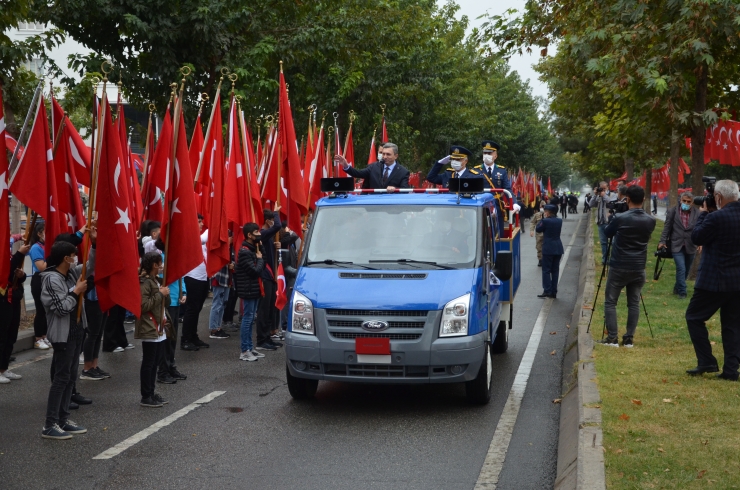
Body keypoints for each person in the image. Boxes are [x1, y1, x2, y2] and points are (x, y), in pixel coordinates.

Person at [684, 180, 740, 380]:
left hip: (714, 280)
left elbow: (697, 237)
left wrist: (703, 213)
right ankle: (731, 371)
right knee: (732, 325)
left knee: (694, 317)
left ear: (718, 197)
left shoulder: (715, 217)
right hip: (737, 281)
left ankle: (707, 360)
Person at [40, 239, 93, 439]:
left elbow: (91, 265)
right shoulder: (51, 279)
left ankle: (62, 419)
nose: (76, 258)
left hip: (77, 332)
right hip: (63, 336)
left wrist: (94, 244)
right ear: (66, 258)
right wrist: (75, 291)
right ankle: (49, 424)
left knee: (71, 377)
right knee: (61, 379)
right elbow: (61, 307)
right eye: (73, 255)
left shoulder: (71, 273)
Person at [598, 185, 656, 348]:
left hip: (619, 265)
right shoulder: (650, 220)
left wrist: (613, 216)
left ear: (627, 199)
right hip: (639, 266)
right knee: (634, 302)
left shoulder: (620, 218)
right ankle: (629, 338)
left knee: (610, 302)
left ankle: (612, 338)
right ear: (643, 199)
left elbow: (608, 233)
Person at [136, 252, 170, 408]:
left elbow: (165, 303)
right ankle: (146, 395)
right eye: (160, 263)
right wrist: (159, 294)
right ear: (154, 265)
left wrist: (165, 293)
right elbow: (143, 306)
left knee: (155, 362)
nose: (162, 266)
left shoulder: (156, 281)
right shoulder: (145, 282)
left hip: (159, 327)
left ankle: (151, 392)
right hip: (150, 326)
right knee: (149, 363)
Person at [153, 237, 187, 384]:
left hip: (176, 300)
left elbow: (181, 278)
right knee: (165, 339)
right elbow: (158, 279)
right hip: (166, 302)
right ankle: (162, 371)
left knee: (172, 338)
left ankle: (171, 366)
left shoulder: (175, 258)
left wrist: (184, 293)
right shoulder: (160, 259)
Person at [235, 222, 267, 362]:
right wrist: (259, 260)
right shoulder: (244, 252)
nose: (259, 234)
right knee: (247, 320)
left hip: (254, 289)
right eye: (256, 232)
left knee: (251, 318)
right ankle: (245, 350)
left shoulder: (254, 248)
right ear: (249, 235)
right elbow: (255, 271)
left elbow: (263, 262)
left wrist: (261, 248)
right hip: (248, 290)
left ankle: (250, 347)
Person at [658, 192, 700, 299]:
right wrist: (662, 241)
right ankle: (682, 292)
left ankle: (677, 288)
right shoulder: (673, 211)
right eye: (684, 201)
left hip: (691, 245)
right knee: (681, 268)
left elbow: (700, 229)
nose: (686, 203)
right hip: (676, 244)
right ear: (680, 200)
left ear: (692, 202)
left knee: (686, 269)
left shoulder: (697, 212)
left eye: (688, 201)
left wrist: (700, 242)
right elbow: (667, 227)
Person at [0, 242, 30, 384]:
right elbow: (4, 274)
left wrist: (21, 275)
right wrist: (19, 254)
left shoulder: (8, 255)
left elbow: (14, 275)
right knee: (2, 335)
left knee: (11, 335)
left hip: (14, 298)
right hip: (3, 300)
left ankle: (4, 368)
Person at [256, 207, 284, 351]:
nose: (275, 222)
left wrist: (277, 245)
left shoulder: (268, 236)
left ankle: (267, 337)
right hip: (265, 276)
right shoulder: (262, 233)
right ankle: (261, 340)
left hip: (271, 275)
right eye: (272, 220)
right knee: (264, 309)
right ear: (267, 221)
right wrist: (276, 212)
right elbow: (278, 226)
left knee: (270, 310)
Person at [181, 215, 210, 351]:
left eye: (201, 222)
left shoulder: (199, 237)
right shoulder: (189, 237)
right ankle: (185, 339)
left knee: (197, 309)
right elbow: (205, 237)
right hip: (192, 278)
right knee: (192, 309)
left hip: (203, 277)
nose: (201, 224)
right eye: (198, 222)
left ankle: (193, 336)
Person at [335, 143, 410, 190]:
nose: (385, 156)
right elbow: (358, 173)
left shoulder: (403, 172)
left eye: (388, 154)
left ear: (396, 156)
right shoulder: (374, 167)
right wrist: (346, 165)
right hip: (374, 207)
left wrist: (395, 189)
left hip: (392, 208)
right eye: (383, 154)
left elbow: (405, 190)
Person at [28, 222, 50, 350]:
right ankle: (38, 338)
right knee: (40, 310)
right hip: (39, 280)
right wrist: (54, 261)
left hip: (47, 279)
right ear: (39, 233)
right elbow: (41, 267)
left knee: (46, 309)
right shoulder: (36, 248)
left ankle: (45, 335)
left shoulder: (47, 245)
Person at [536, 205, 563, 298]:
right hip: (558, 247)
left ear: (548, 212)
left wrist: (542, 219)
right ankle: (554, 291)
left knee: (546, 270)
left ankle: (547, 290)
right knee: (555, 270)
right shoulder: (559, 221)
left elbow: (538, 229)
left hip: (548, 248)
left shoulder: (545, 221)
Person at [208, 237, 232, 340]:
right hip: (219, 277)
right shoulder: (219, 245)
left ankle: (218, 326)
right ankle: (213, 329)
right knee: (217, 303)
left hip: (226, 278)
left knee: (223, 303)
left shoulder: (231, 247)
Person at [589, 181, 617, 264]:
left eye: (604, 188)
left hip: (610, 221)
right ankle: (605, 259)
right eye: (601, 188)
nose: (602, 190)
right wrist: (595, 195)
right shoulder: (598, 196)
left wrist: (604, 195)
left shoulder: (612, 195)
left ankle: (613, 258)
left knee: (612, 242)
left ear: (607, 187)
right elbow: (590, 204)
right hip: (600, 222)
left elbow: (611, 203)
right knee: (603, 242)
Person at [529, 202, 545, 267]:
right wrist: (531, 230)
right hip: (539, 234)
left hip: (547, 234)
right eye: (541, 206)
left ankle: (546, 259)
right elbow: (532, 222)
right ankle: (540, 260)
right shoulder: (537, 215)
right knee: (539, 247)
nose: (542, 207)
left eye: (543, 206)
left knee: (546, 247)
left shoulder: (549, 214)